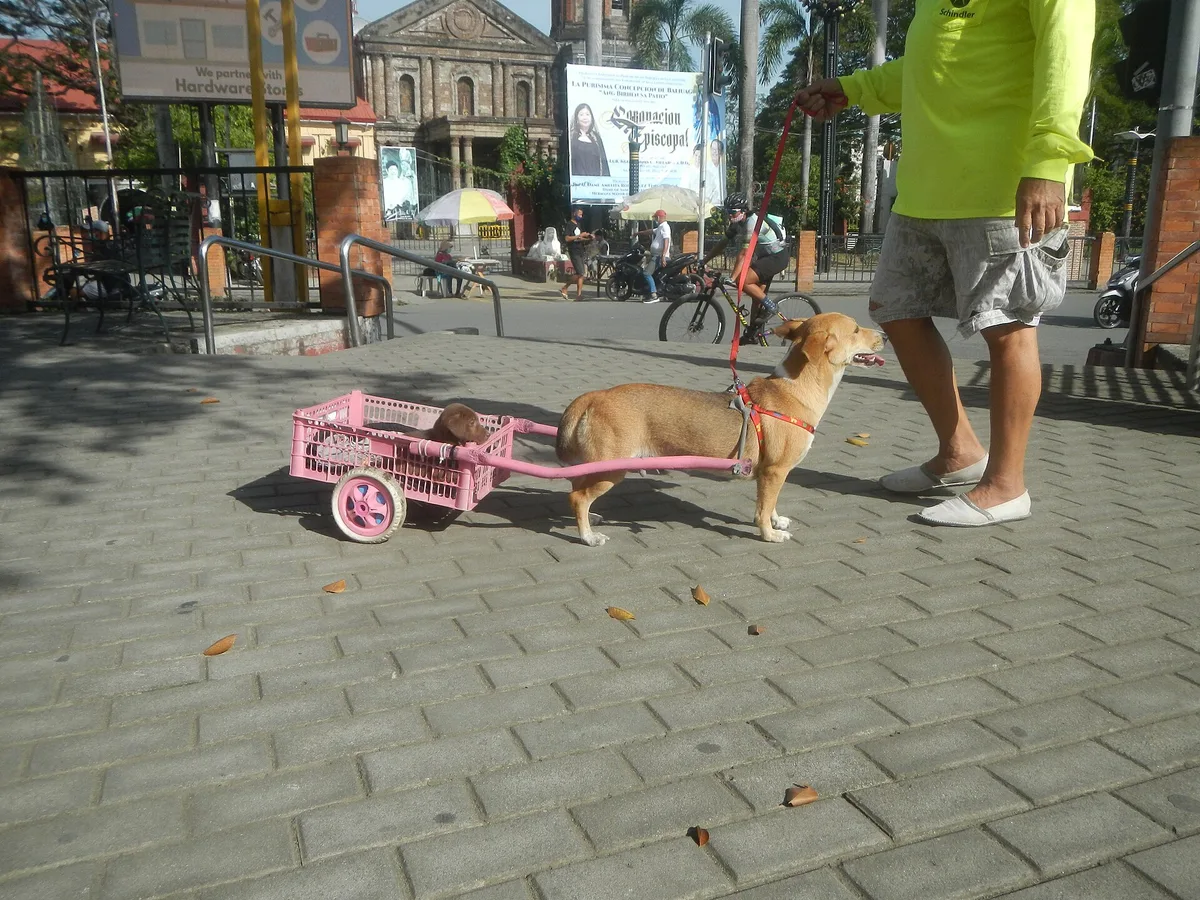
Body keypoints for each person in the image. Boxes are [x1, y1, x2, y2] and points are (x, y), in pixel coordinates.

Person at [797, 0, 1093, 527]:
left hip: (1004, 186)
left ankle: (1006, 485)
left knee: (1008, 328)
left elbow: (1064, 54)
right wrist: (854, 89)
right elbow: (929, 67)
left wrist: (1048, 160)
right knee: (895, 308)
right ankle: (959, 451)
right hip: (924, 191)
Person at [711, 192, 789, 342]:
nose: (730, 216)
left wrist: (732, 278)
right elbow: (722, 243)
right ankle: (752, 335)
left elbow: (744, 254)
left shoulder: (752, 223)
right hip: (765, 257)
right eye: (727, 212)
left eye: (732, 212)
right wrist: (704, 260)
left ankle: (771, 307)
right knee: (756, 297)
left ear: (743, 210)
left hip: (777, 257)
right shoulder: (737, 223)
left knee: (743, 281)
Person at [635, 209, 671, 304]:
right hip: (657, 255)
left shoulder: (665, 227)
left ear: (659, 217)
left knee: (646, 273)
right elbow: (650, 231)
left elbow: (666, 241)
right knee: (652, 274)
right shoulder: (660, 227)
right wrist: (638, 233)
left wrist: (663, 256)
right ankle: (649, 291)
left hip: (659, 256)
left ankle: (653, 295)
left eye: (655, 217)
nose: (655, 219)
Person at [569, 104, 610, 177]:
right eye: (581, 115)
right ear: (576, 119)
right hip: (577, 182)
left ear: (591, 118)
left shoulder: (596, 138)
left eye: (587, 114)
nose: (585, 118)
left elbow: (604, 163)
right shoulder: (571, 137)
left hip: (595, 182)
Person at [560, 209, 593, 301]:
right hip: (574, 251)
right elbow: (567, 238)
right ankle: (565, 287)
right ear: (574, 214)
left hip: (581, 250)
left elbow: (579, 239)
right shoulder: (569, 225)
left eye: (581, 215)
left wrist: (588, 238)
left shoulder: (578, 225)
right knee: (580, 273)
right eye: (579, 214)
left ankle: (578, 295)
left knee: (581, 274)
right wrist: (579, 236)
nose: (580, 216)